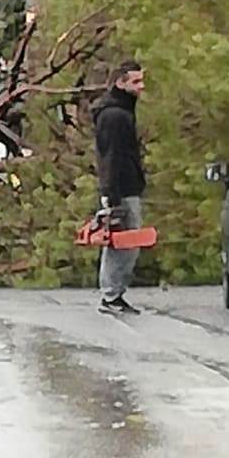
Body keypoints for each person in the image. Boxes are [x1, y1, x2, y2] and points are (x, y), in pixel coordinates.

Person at [93, 60, 146, 316]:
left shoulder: (120, 112)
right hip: (121, 189)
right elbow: (111, 157)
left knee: (122, 242)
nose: (141, 87)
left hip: (124, 187)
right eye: (135, 81)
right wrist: (112, 196)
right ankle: (111, 295)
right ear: (120, 82)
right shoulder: (115, 116)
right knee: (123, 243)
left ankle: (113, 294)